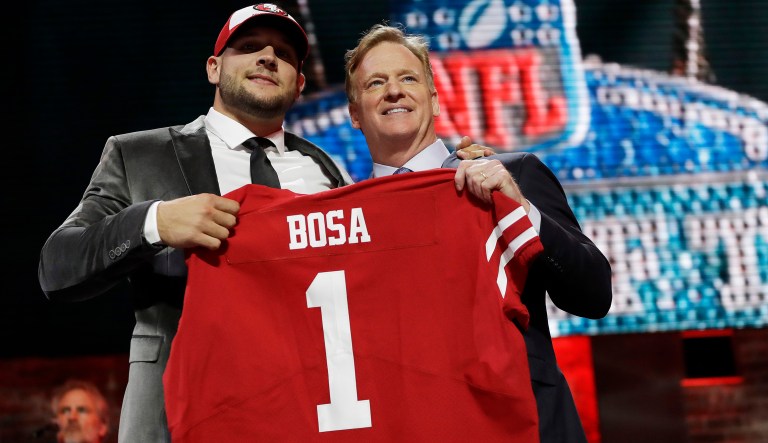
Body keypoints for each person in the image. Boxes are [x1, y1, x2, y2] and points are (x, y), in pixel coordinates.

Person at [38, 4, 355, 442]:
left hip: (301, 410)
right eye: (248, 47)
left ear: (299, 83)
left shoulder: (329, 171)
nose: (267, 57)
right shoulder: (140, 154)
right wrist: (155, 223)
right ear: (214, 68)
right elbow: (57, 267)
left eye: (283, 53)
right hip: (178, 412)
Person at [344, 24, 613, 443]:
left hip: (526, 423)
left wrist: (522, 209)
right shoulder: (348, 221)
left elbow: (593, 294)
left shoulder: (513, 174)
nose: (393, 91)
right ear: (355, 113)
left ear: (433, 101)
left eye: (408, 78)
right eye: (375, 83)